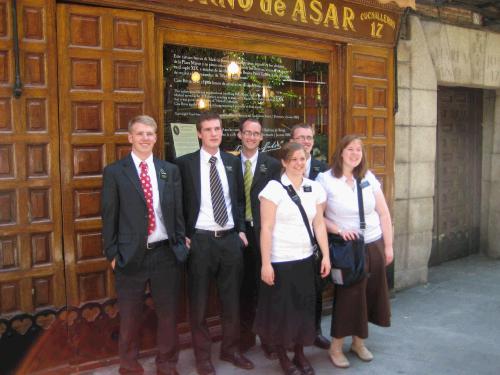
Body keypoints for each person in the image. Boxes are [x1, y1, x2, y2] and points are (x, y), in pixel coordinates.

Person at [101, 115, 186, 375]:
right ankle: (128, 365)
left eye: (150, 133)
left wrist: (180, 243)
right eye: (140, 133)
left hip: (165, 254)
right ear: (130, 137)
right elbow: (109, 215)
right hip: (130, 256)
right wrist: (112, 254)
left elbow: (177, 212)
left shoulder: (168, 170)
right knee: (130, 317)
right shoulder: (115, 172)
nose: (146, 138)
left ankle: (167, 364)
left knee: (168, 316)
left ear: (156, 137)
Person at [176, 112, 254, 375]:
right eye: (208, 129)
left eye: (217, 129)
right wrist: (182, 234)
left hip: (230, 241)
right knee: (198, 304)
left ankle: (231, 350)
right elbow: (176, 203)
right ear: (199, 133)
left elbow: (240, 201)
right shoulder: (184, 165)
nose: (213, 134)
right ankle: (203, 358)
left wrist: (241, 229)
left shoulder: (232, 163)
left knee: (231, 301)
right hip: (199, 242)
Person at [316, 134, 393, 368]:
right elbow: (317, 217)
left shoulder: (368, 177)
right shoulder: (325, 179)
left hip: (373, 243)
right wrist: (338, 229)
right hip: (347, 248)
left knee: (370, 294)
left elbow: (384, 213)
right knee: (349, 296)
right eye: (350, 149)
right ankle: (336, 347)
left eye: (359, 150)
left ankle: (358, 342)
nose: (355, 154)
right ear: (341, 152)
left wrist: (388, 245)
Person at [254, 142, 331, 375]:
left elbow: (318, 224)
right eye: (294, 159)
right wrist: (266, 263)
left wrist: (326, 255)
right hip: (281, 260)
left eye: (303, 158)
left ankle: (299, 353)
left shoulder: (314, 188)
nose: (299, 163)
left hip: (306, 259)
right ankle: (282, 356)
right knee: (282, 311)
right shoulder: (273, 190)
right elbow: (266, 228)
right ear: (284, 163)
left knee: (303, 309)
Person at [237, 118, 281, 358]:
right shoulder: (231, 163)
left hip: (264, 234)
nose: (252, 137)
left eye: (256, 134)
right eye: (248, 133)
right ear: (240, 135)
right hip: (241, 235)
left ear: (261, 137)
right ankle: (245, 338)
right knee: (244, 290)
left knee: (266, 289)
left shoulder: (272, 165)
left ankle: (269, 339)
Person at [290, 123, 330, 349]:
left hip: (315, 240)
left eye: (309, 138)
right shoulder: (281, 169)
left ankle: (315, 331)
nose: (306, 142)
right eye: (301, 137)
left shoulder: (323, 170)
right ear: (292, 140)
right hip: (290, 241)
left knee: (315, 290)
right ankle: (291, 334)